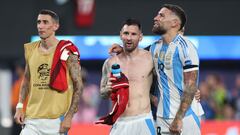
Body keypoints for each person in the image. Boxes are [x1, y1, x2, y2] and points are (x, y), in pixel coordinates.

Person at [109, 4, 204, 135]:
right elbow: (137, 55)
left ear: (174, 23)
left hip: (185, 116)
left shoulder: (186, 47)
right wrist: (123, 50)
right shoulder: (154, 48)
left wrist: (179, 118)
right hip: (161, 117)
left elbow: (191, 86)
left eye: (161, 15)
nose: (155, 18)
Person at [14, 9, 83, 135]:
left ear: (56, 26)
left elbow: (78, 85)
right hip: (31, 120)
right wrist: (19, 106)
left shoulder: (67, 51)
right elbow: (26, 80)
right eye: (39, 22)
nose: (40, 26)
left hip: (56, 121)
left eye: (45, 22)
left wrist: (69, 117)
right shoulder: (30, 49)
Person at [100, 18, 156, 135]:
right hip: (120, 122)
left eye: (133, 34)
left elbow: (167, 79)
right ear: (121, 35)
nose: (129, 38)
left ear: (140, 37)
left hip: (143, 120)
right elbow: (102, 93)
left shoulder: (150, 58)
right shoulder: (110, 63)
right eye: (126, 33)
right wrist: (107, 89)